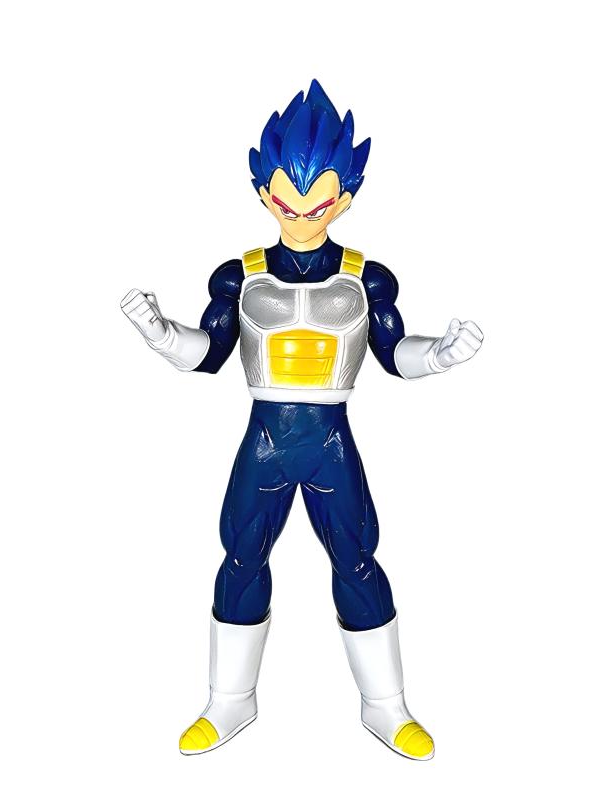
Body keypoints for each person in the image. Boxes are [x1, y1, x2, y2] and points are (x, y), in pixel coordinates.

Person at [121, 80, 483, 760]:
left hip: (329, 441)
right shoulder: (239, 274)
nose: (301, 217)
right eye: (286, 202)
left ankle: (386, 705)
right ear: (263, 192)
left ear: (345, 199)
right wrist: (161, 334)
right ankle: (229, 699)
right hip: (265, 439)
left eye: (318, 204)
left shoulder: (368, 277)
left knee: (357, 560)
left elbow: (392, 354)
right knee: (240, 556)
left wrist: (437, 355)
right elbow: (209, 355)